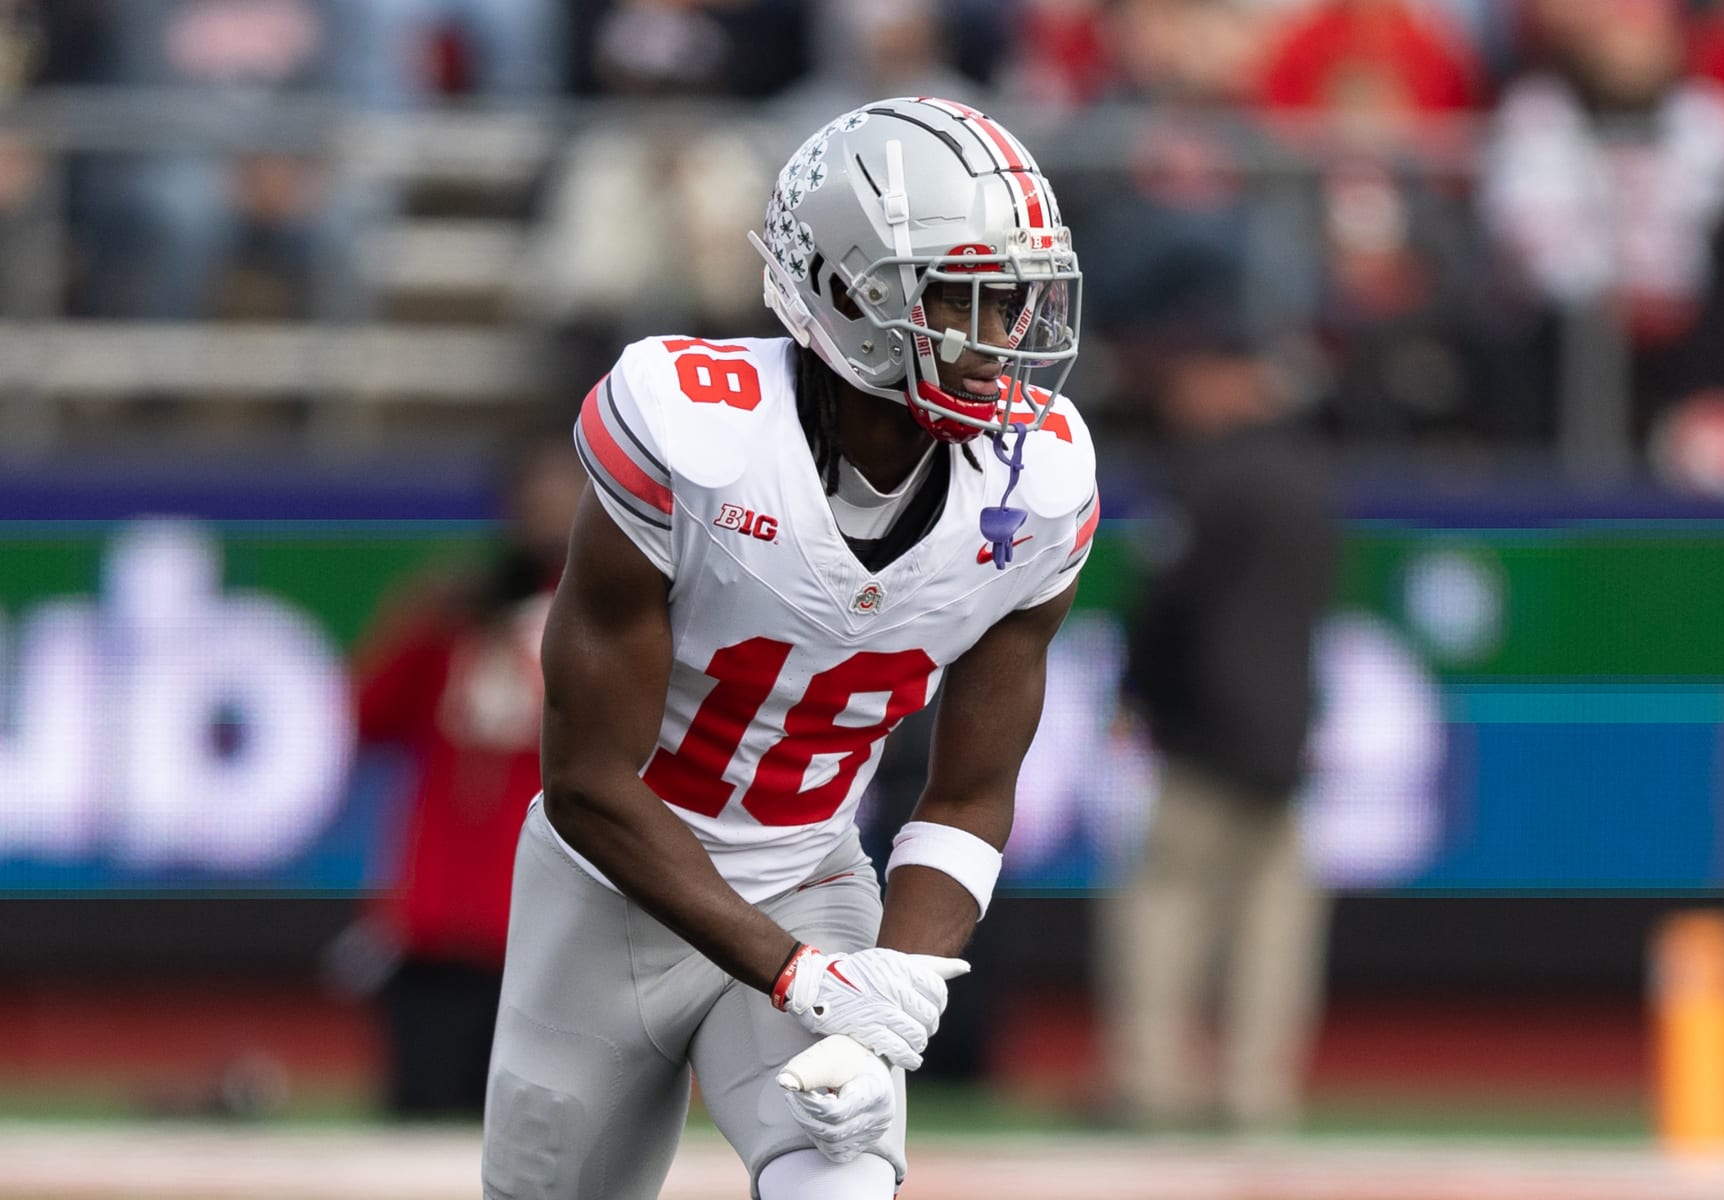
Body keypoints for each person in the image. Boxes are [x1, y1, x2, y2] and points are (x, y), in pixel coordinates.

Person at [482, 98, 1095, 1200]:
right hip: (606, 894)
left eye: (1011, 296)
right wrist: (803, 979)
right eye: (962, 294)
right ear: (849, 290)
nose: (1002, 332)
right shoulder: (697, 433)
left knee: (843, 1172)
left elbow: (965, 797)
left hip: (809, 871)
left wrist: (886, 993)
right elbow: (584, 785)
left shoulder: (1035, 489)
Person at [1105, 294, 1337, 1134]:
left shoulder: (1206, 477)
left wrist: (1136, 696)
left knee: (1168, 900)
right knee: (1274, 913)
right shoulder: (1309, 475)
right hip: (1286, 726)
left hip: (1204, 727)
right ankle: (1256, 1091)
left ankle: (1154, 1081)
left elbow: (1167, 608)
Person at [346, 434, 587, 1116]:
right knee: (425, 1123)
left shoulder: (624, 614)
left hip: (554, 921)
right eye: (534, 498)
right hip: (444, 916)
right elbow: (367, 716)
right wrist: (420, 622)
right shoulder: (461, 611)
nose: (547, 515)